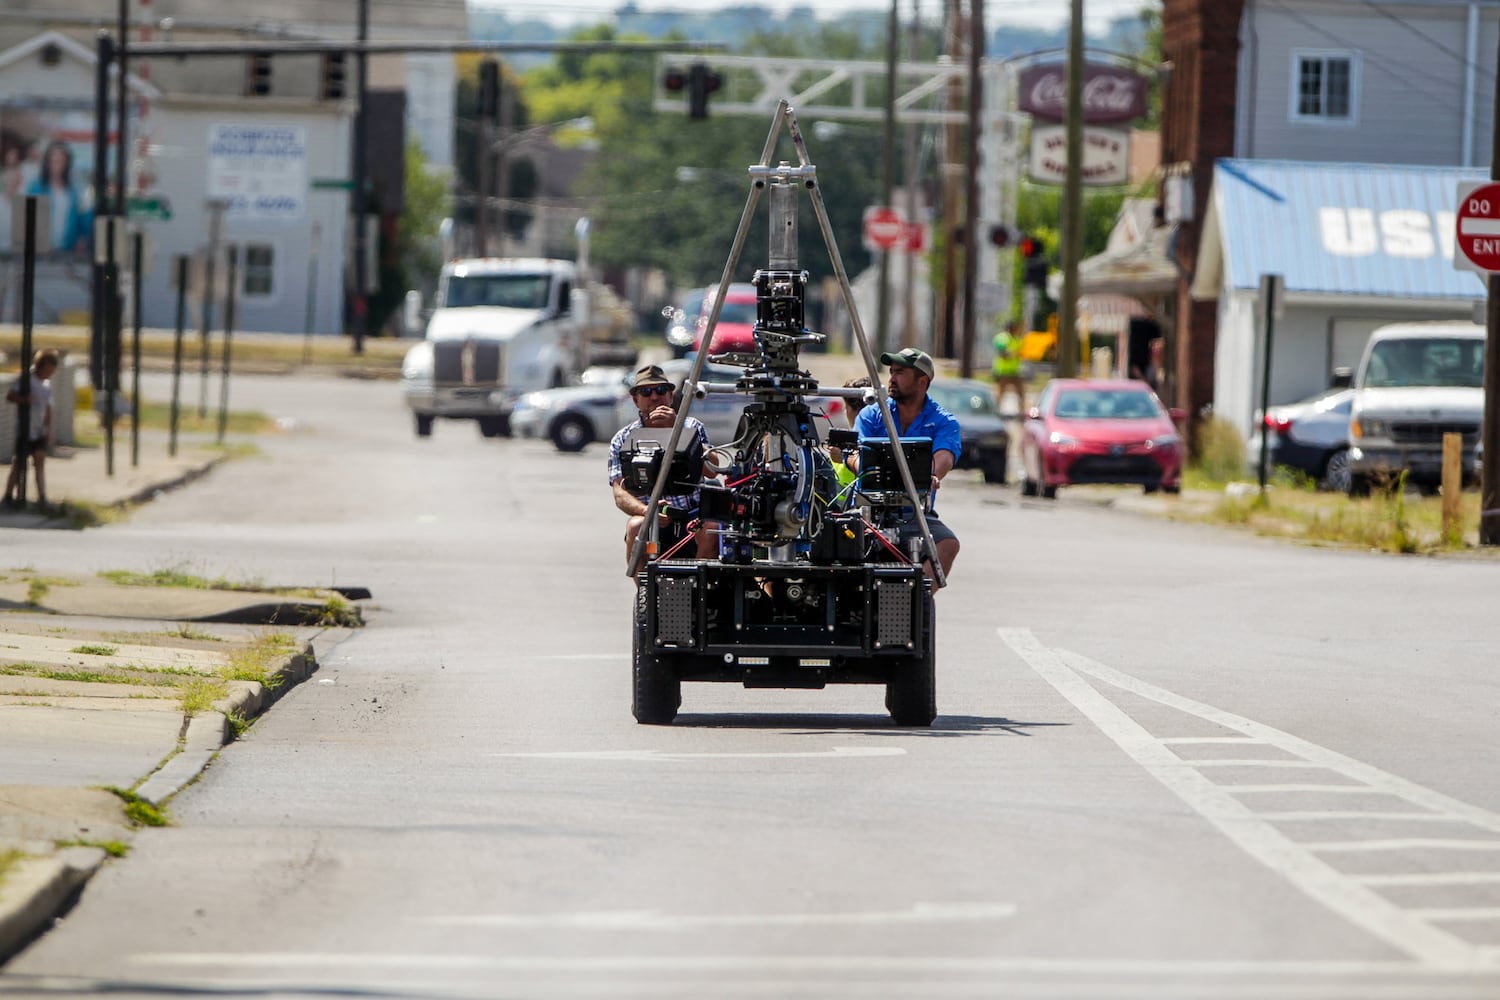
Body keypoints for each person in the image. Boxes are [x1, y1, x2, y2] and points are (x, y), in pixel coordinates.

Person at [849, 347, 961, 579]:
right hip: (866, 512)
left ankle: (918, 602)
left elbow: (945, 456)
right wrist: (867, 471)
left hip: (914, 513)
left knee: (947, 544)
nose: (891, 379)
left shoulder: (943, 420)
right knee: (835, 548)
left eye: (899, 373)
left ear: (922, 381)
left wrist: (930, 475)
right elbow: (853, 453)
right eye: (891, 372)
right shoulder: (871, 414)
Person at [607, 364, 716, 573]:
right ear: (635, 400)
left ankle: (699, 595)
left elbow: (713, 469)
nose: (655, 397)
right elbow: (619, 492)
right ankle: (645, 596)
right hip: (651, 515)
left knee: (712, 530)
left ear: (671, 396)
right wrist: (647, 511)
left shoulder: (692, 427)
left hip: (693, 516)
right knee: (635, 527)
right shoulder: (623, 438)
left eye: (661, 390)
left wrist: (676, 430)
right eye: (646, 392)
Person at [4, 348, 59, 509]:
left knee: (40, 460)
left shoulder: (47, 385)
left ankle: (42, 497)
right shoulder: (26, 380)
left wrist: (48, 430)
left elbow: (49, 409)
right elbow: (10, 396)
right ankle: (8, 495)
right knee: (19, 462)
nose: (49, 374)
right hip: (25, 428)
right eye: (48, 370)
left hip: (39, 429)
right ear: (41, 366)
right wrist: (23, 399)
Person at [26, 141, 87, 256]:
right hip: (40, 252)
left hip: (67, 251)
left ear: (67, 164)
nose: (57, 165)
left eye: (61, 161)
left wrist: (81, 239)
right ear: (47, 163)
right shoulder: (35, 187)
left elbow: (79, 218)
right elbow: (28, 219)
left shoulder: (73, 190)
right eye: (54, 161)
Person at [991, 319, 1027, 416]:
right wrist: (1014, 354)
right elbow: (1003, 354)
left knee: (1021, 393)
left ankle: (1022, 413)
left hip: (1015, 371)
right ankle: (995, 412)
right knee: (1000, 394)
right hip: (1003, 372)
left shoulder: (1017, 339)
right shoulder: (1002, 339)